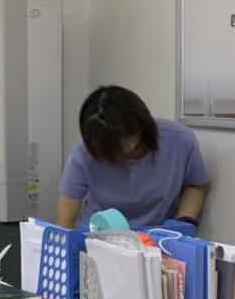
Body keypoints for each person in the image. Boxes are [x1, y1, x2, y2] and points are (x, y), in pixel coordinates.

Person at [55, 85, 210, 232]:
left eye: (115, 141)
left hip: (155, 237)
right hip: (99, 235)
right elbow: (67, 211)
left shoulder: (179, 140)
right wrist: (64, 240)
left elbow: (195, 185)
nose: (109, 149)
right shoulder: (85, 151)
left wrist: (183, 222)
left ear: (139, 128)